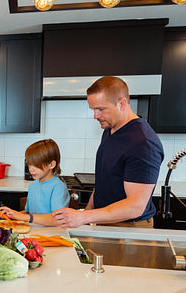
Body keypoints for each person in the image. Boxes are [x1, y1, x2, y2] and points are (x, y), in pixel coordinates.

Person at [52, 76, 164, 228]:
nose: (95, 116)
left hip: (129, 228)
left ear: (122, 103)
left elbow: (135, 206)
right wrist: (87, 212)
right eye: (93, 109)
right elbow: (104, 181)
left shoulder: (143, 143)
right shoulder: (110, 129)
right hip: (106, 221)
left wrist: (84, 216)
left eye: (101, 109)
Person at [0, 139, 70, 226]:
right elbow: (29, 212)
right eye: (29, 164)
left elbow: (57, 219)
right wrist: (12, 215)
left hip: (51, 234)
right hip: (33, 231)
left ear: (51, 164)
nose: (31, 169)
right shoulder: (33, 185)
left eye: (36, 165)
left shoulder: (58, 187)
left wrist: (25, 217)